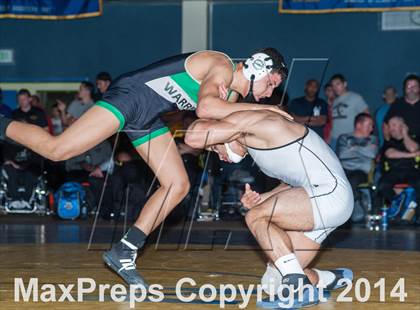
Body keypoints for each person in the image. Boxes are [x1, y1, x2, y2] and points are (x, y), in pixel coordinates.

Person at [0, 48, 290, 287]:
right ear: (257, 68)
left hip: (150, 117)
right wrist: (263, 111)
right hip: (132, 97)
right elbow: (205, 109)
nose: (269, 94)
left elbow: (204, 129)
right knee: (58, 149)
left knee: (178, 184)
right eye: (271, 84)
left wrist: (224, 146)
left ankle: (124, 251)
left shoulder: (232, 98)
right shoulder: (222, 66)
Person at [185, 109, 353, 308]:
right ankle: (326, 278)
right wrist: (262, 198)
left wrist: (220, 112)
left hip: (330, 193)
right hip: (322, 200)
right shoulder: (258, 147)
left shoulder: (264, 125)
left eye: (215, 149)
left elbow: (193, 135)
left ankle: (299, 287)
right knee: (273, 283)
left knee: (256, 216)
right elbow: (292, 183)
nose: (220, 157)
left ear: (227, 135)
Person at [376, 116, 420, 216]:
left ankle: (416, 215)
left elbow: (413, 148)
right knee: (383, 185)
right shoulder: (389, 142)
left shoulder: (414, 139)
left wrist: (405, 134)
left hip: (411, 170)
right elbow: (390, 154)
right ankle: (397, 206)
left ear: (403, 126)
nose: (391, 128)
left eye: (394, 125)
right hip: (394, 171)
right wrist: (413, 155)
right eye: (390, 126)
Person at [337, 113, 377, 212]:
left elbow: (372, 154)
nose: (371, 129)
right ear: (359, 125)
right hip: (344, 169)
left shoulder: (372, 139)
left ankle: (345, 214)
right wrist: (363, 149)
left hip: (361, 171)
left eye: (372, 126)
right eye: (369, 125)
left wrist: (354, 148)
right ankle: (357, 196)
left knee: (351, 182)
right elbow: (342, 154)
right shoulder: (344, 137)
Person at [330, 74, 369, 151]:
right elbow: (334, 122)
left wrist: (362, 135)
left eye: (338, 84)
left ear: (345, 84)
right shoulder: (335, 101)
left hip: (350, 138)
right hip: (335, 139)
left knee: (350, 162)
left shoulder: (355, 97)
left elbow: (367, 116)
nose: (335, 88)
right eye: (333, 85)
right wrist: (330, 137)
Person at [385, 74, 420, 143]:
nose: (411, 89)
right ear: (404, 89)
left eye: (414, 86)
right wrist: (388, 141)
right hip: (401, 142)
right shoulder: (397, 104)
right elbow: (386, 125)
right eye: (408, 86)